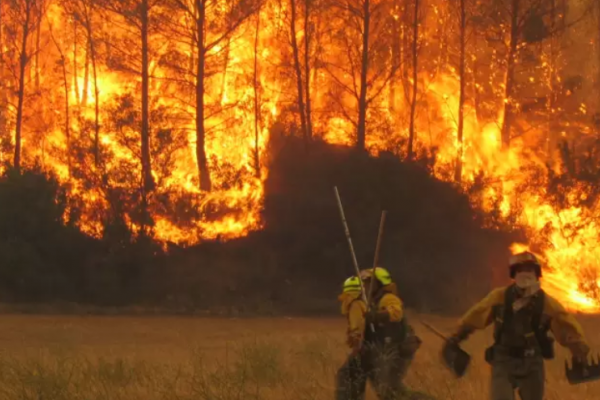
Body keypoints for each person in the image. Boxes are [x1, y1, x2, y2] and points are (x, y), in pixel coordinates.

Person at [445, 251, 591, 400]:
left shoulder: (546, 303)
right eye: (520, 269)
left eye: (529, 269)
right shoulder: (500, 297)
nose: (525, 273)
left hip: (533, 364)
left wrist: (579, 350)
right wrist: (457, 337)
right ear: (514, 273)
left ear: (536, 273)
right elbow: (476, 316)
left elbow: (566, 326)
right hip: (503, 361)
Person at [335, 268, 433, 400]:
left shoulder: (388, 298)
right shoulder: (366, 301)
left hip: (395, 349)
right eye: (363, 282)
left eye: (369, 282)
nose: (364, 285)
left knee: (389, 391)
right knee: (348, 375)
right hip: (375, 348)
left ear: (379, 284)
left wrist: (377, 316)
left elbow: (395, 313)